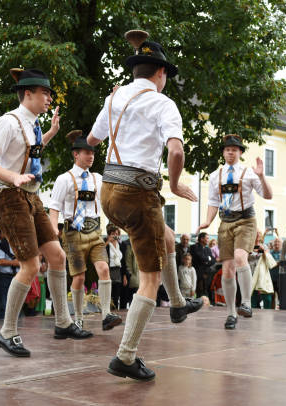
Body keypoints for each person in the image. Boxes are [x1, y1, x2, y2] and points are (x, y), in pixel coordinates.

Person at [87, 29, 199, 381]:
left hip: (108, 192)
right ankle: (126, 356)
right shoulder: (162, 103)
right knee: (150, 277)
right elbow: (176, 150)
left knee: (165, 237)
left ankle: (179, 304)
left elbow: (92, 141)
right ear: (160, 73)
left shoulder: (114, 99)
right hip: (137, 193)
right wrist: (177, 183)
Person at [0, 67, 92, 357]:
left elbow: (31, 153)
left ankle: (63, 322)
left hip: (31, 197)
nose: (49, 98)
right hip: (9, 197)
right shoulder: (7, 123)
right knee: (30, 266)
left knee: (57, 256)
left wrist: (52, 133)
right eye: (45, 93)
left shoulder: (34, 126)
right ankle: (7, 332)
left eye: (50, 94)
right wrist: (13, 177)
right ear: (27, 94)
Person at [197, 134, 273, 329]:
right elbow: (213, 202)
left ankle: (246, 303)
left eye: (234, 149)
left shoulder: (249, 173)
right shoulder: (216, 175)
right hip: (225, 222)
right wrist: (207, 221)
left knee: (240, 258)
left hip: (246, 220)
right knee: (228, 268)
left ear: (240, 153)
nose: (230, 152)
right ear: (224, 152)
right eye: (227, 149)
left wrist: (262, 176)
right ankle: (231, 313)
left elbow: (268, 195)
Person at [49, 130, 122, 331]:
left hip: (95, 232)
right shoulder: (64, 179)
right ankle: (79, 317)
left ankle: (106, 314)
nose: (90, 156)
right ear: (76, 154)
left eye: (92, 153)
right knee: (79, 278)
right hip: (73, 234)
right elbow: (54, 207)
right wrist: (53, 230)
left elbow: (109, 201)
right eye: (86, 152)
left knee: (104, 269)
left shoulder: (98, 178)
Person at [190, 232, 216, 298]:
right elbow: (200, 258)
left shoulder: (208, 249)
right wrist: (208, 259)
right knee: (199, 291)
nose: (208, 240)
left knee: (207, 289)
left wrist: (206, 260)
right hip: (197, 273)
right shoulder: (194, 247)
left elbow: (213, 260)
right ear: (202, 239)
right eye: (207, 238)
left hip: (207, 273)